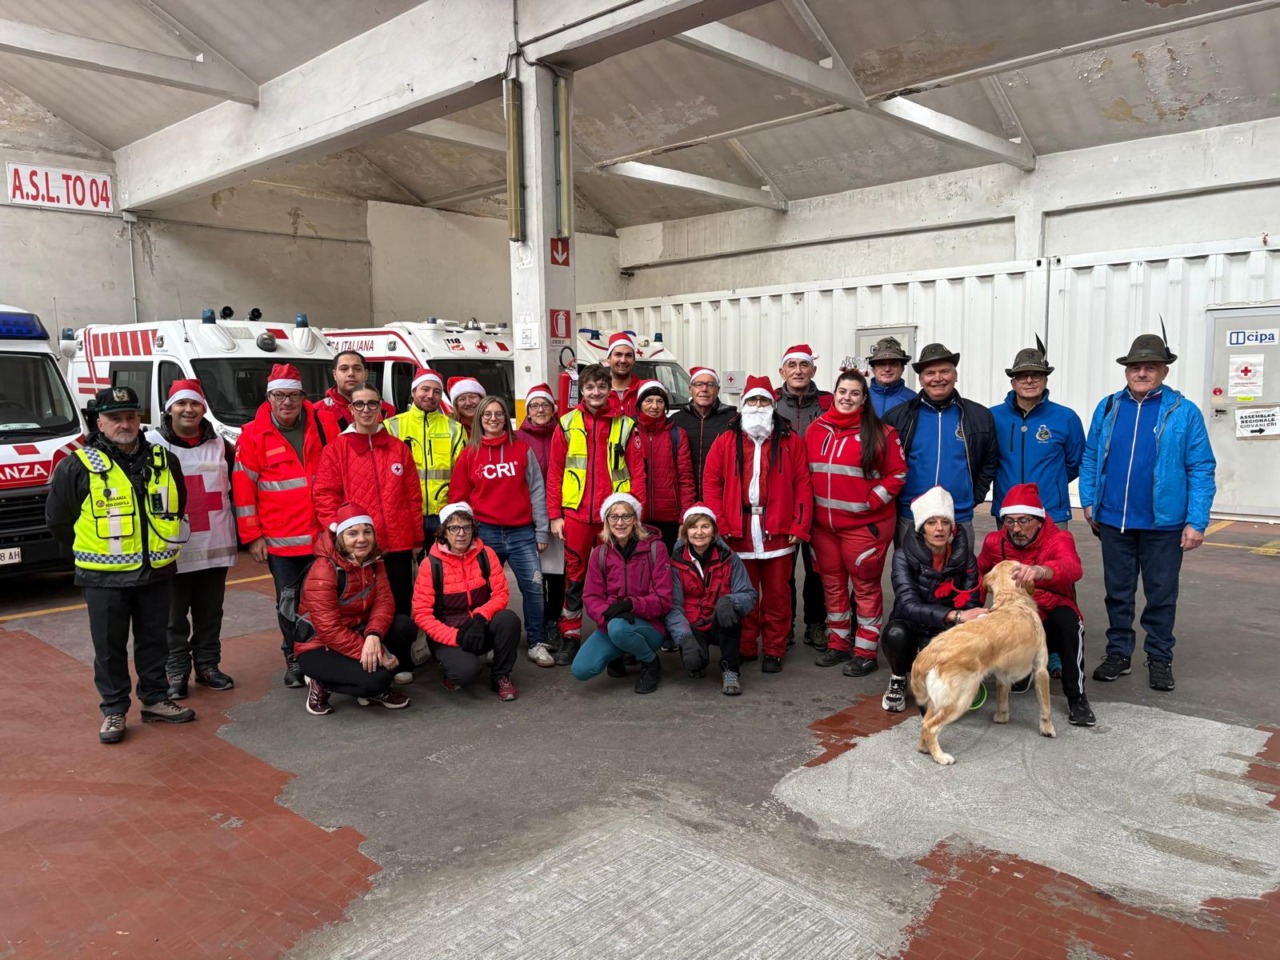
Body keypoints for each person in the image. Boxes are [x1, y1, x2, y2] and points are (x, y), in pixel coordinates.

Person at [46, 386, 193, 743]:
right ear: (99, 422)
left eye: (130, 416)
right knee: (109, 649)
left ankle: (155, 700)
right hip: (103, 577)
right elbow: (58, 521)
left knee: (154, 641)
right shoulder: (76, 466)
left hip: (156, 572)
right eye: (115, 418)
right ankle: (114, 710)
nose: (125, 424)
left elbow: (178, 505)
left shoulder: (163, 459)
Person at [1079, 332, 1216, 693]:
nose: (1142, 373)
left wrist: (1196, 520)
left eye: (1150, 367)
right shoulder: (1108, 407)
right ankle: (1119, 653)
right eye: (1135, 367)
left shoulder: (1184, 412)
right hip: (1113, 520)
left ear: (1164, 372)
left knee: (1161, 594)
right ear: (1126, 371)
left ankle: (1159, 657)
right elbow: (1092, 455)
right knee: (1117, 592)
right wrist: (1089, 500)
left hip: (1164, 524)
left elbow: (1201, 467)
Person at [703, 375, 814, 673]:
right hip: (738, 531)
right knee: (744, 594)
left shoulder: (791, 440)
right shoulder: (726, 440)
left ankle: (775, 648)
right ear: (743, 405)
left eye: (763, 400)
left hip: (777, 531)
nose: (757, 405)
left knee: (778, 596)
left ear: (772, 404)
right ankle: (747, 645)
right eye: (752, 400)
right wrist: (719, 522)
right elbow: (711, 482)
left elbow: (803, 484)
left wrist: (799, 526)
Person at [233, 362, 332, 687]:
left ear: (302, 396)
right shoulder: (253, 436)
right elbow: (244, 490)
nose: (286, 402)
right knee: (288, 601)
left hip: (322, 536)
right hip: (281, 540)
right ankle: (294, 657)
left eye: (292, 395)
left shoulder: (323, 424)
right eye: (279, 396)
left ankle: (322, 652)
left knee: (325, 597)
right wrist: (252, 537)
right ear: (269, 397)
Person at [806, 369, 908, 677]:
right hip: (824, 528)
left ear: (864, 399)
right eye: (842, 391)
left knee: (865, 588)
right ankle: (838, 643)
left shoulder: (882, 433)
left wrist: (871, 500)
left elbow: (898, 474)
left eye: (854, 393)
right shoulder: (816, 429)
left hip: (865, 527)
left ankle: (865, 651)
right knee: (833, 587)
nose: (847, 397)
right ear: (833, 394)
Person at [546, 363, 647, 665]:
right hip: (576, 516)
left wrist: (633, 513)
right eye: (590, 387)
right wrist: (555, 515)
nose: (596, 392)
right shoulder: (565, 424)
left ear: (609, 389)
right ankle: (570, 636)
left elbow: (638, 472)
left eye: (601, 387)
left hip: (615, 519)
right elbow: (554, 472)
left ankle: (617, 635)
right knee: (574, 580)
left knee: (617, 580)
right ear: (583, 390)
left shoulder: (626, 425)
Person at [145, 379, 237, 699]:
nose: (188, 409)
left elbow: (236, 491)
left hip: (214, 543)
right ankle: (176, 669)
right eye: (181, 404)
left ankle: (208, 665)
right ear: (169, 409)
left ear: (203, 408)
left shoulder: (222, 445)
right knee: (172, 616)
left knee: (210, 613)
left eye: (195, 403)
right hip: (171, 549)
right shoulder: (150, 444)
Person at [976, 483, 1096, 726]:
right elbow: (979, 575)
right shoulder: (994, 542)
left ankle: (1076, 696)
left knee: (1070, 624)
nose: (1016, 529)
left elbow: (1074, 568)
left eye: (1023, 521)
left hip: (1051, 609)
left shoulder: (1059, 539)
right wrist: (975, 610)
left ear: (1039, 520)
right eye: (1009, 521)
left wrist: (1042, 571)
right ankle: (1021, 671)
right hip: (1013, 613)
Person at [450, 394, 553, 667]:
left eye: (498, 414)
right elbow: (458, 499)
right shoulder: (469, 454)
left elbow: (536, 490)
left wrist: (542, 531)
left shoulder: (521, 450)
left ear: (505, 418)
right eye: (487, 415)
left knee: (533, 589)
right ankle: (494, 641)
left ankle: (537, 641)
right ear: (479, 419)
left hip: (522, 533)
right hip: (486, 534)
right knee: (486, 592)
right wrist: (464, 536)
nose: (493, 419)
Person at [313, 385, 423, 619]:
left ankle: (400, 654)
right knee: (365, 608)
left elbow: (412, 497)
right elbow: (325, 495)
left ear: (380, 408)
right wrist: (338, 531)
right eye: (359, 404)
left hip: (398, 544)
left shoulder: (398, 448)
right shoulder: (336, 449)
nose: (366, 409)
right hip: (359, 547)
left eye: (372, 403)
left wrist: (416, 538)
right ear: (351, 409)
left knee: (401, 605)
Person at [294, 504, 416, 715]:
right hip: (318, 645)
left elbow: (384, 603)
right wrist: (375, 652)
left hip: (357, 632)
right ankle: (321, 682)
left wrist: (374, 635)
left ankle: (365, 677)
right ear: (341, 537)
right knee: (378, 679)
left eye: (367, 532)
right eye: (353, 533)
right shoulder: (324, 569)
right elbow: (329, 630)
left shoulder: (374, 562)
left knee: (404, 625)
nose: (362, 539)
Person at [878, 486, 984, 714]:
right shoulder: (902, 556)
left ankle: (950, 674)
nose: (939, 529)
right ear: (921, 528)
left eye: (945, 522)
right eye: (931, 522)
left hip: (944, 631)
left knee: (932, 705)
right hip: (911, 624)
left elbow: (971, 602)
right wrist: (956, 615)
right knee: (894, 634)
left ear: (952, 527)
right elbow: (908, 604)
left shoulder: (966, 559)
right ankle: (898, 676)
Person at [884, 342, 997, 548]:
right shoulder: (897, 417)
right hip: (911, 516)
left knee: (959, 577)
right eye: (930, 373)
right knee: (910, 577)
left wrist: (974, 496)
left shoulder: (978, 416)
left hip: (959, 516)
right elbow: (885, 464)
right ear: (920, 379)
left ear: (955, 375)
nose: (937, 378)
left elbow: (989, 462)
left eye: (944, 371)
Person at [411, 502, 521, 700]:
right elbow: (421, 614)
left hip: (479, 625)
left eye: (466, 527)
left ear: (473, 529)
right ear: (444, 532)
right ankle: (454, 667)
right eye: (454, 528)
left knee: (508, 620)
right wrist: (456, 636)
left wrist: (480, 616)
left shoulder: (486, 555)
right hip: (449, 632)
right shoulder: (430, 565)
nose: (461, 533)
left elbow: (501, 594)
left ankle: (501, 675)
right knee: (464, 674)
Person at [571, 493, 673, 694]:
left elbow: (664, 599)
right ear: (606, 521)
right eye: (614, 517)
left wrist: (631, 605)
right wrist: (610, 614)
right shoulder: (600, 554)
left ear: (635, 520)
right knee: (581, 669)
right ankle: (621, 651)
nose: (620, 522)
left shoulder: (656, 549)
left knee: (619, 628)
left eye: (626, 516)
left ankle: (650, 662)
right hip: (611, 623)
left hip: (648, 625)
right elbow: (591, 597)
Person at [989, 338, 1084, 526]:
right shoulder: (992, 417)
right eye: (1023, 376)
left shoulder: (1066, 417)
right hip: (1009, 511)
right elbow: (985, 461)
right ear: (1013, 382)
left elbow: (1076, 462)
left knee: (1054, 556)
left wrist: (1052, 483)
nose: (1030, 380)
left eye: (1037, 375)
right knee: (1009, 557)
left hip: (1051, 512)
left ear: (1046, 380)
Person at [665, 504, 758, 696]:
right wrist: (685, 639)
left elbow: (749, 594)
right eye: (693, 527)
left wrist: (730, 601)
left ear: (714, 531)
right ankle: (697, 653)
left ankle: (730, 670)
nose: (699, 532)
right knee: (696, 664)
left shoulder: (730, 558)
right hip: (693, 624)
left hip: (719, 620)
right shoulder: (674, 562)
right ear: (685, 532)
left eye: (705, 526)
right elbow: (673, 606)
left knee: (731, 612)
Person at [774, 343, 830, 648]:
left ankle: (815, 624)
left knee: (817, 569)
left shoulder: (828, 404)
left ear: (813, 370)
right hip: (782, 499)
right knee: (781, 568)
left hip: (820, 499)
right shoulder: (768, 403)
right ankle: (782, 626)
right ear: (782, 371)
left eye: (804, 365)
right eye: (792, 365)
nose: (798, 371)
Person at [386, 367, 466, 547]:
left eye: (437, 391)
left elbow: (462, 475)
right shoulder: (391, 426)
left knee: (443, 571)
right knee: (409, 572)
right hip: (405, 513)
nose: (431, 395)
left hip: (444, 514)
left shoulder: (455, 428)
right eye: (425, 389)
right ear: (413, 392)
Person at [517, 383, 567, 659]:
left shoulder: (563, 433)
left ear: (553, 409)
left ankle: (552, 623)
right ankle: (534, 627)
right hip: (527, 516)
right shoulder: (516, 437)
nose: (539, 410)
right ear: (527, 410)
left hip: (557, 515)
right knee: (533, 578)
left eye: (545, 405)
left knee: (556, 575)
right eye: (534, 405)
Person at [633, 379, 697, 552]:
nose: (654, 406)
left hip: (669, 519)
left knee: (667, 569)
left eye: (660, 401)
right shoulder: (629, 431)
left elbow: (686, 479)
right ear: (639, 404)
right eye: (648, 401)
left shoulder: (677, 434)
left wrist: (684, 518)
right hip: (635, 518)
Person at [671, 365, 737, 501]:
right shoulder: (675, 420)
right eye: (698, 384)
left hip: (721, 496)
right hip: (684, 498)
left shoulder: (733, 419)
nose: (704, 389)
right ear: (690, 389)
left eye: (710, 385)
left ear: (718, 390)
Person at [318, 350, 396, 433]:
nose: (351, 373)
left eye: (357, 369)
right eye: (344, 369)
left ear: (366, 374)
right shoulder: (317, 411)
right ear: (334, 374)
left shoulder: (387, 411)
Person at [866, 336, 914, 417]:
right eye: (881, 364)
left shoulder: (913, 400)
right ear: (873, 370)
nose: (887, 369)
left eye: (893, 363)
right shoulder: (861, 397)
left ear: (902, 369)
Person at [603, 331, 641, 417]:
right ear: (608, 358)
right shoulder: (598, 392)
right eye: (618, 355)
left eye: (628, 355)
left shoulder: (644, 390)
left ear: (634, 360)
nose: (623, 360)